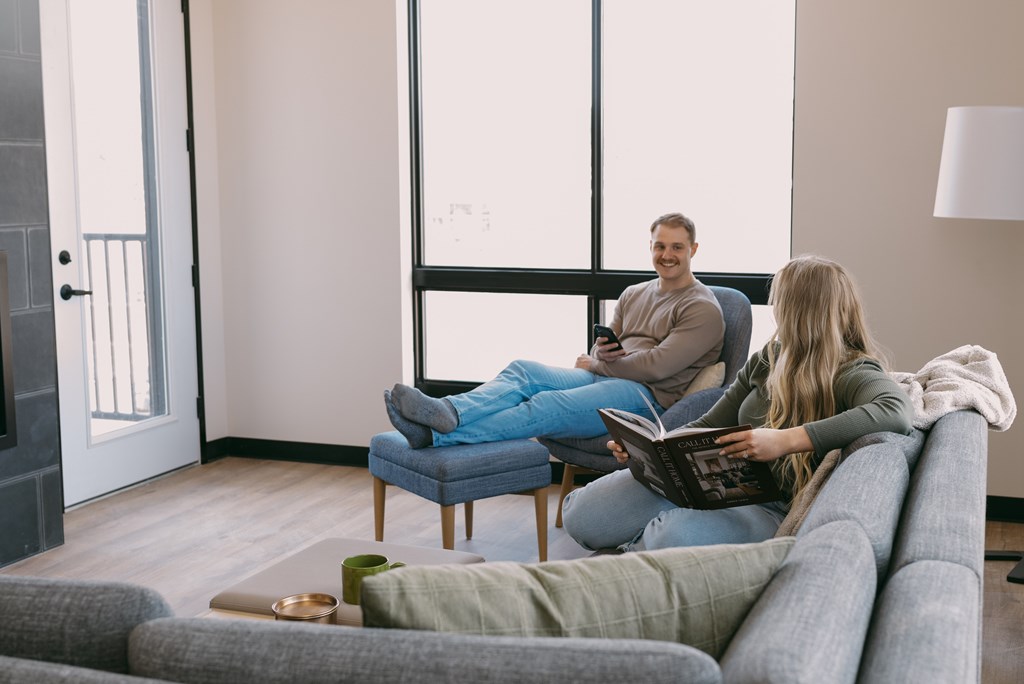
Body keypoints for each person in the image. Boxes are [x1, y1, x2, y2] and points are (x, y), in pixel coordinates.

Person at [561, 254, 914, 552]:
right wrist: (653, 450)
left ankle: (631, 556)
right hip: (710, 480)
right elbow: (710, 423)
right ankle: (637, 548)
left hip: (768, 506)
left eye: (780, 300)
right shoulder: (769, 357)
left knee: (666, 534)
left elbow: (895, 411)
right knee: (582, 515)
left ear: (797, 310)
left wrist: (784, 440)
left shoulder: (851, 369)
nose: (775, 309)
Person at [384, 212, 726, 448]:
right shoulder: (634, 293)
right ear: (650, 246)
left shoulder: (702, 308)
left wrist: (597, 364)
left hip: (646, 398)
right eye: (660, 245)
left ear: (693, 250)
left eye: (677, 247)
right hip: (606, 378)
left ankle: (435, 437)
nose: (667, 255)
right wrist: (598, 359)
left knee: (549, 404)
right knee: (524, 371)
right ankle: (449, 412)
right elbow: (601, 348)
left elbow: (656, 366)